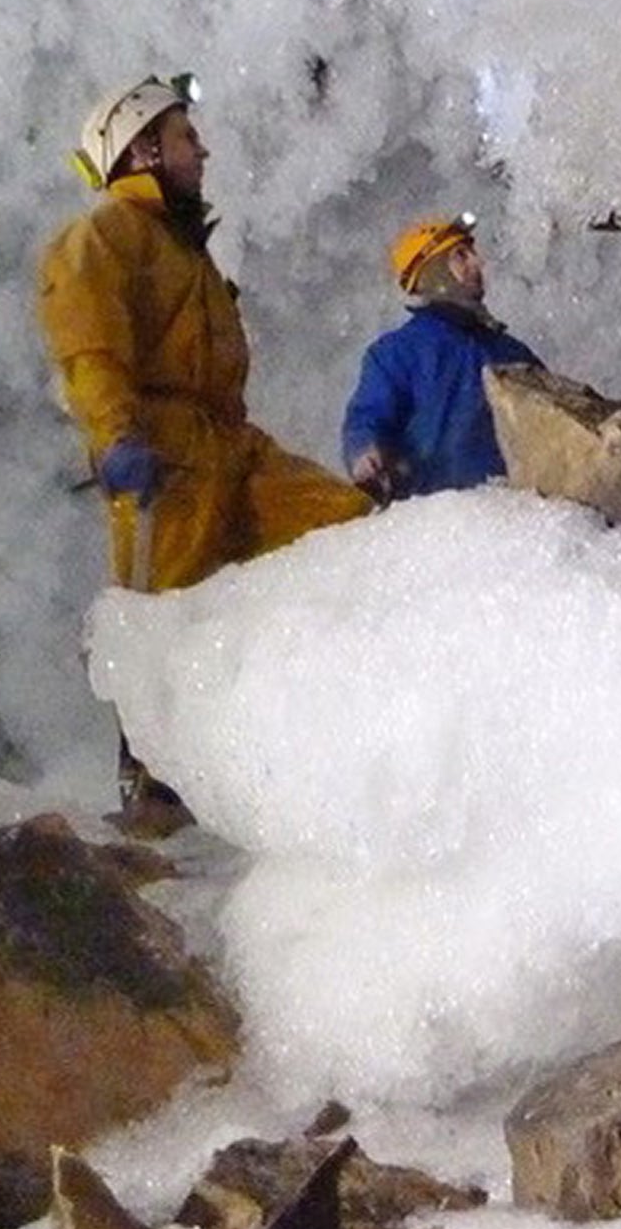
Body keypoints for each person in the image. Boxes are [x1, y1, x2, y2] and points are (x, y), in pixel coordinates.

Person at [36, 72, 374, 822]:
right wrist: (117, 438)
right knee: (161, 625)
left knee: (347, 524)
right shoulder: (104, 236)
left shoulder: (181, 251)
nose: (203, 150)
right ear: (143, 149)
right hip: (163, 455)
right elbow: (90, 351)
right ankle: (152, 795)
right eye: (187, 137)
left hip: (226, 443)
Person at [342, 213, 544, 499]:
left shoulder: (512, 353)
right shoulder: (397, 354)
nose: (477, 263)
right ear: (432, 271)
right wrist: (366, 456)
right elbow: (367, 418)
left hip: (506, 519)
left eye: (472, 253)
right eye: (460, 256)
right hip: (432, 524)